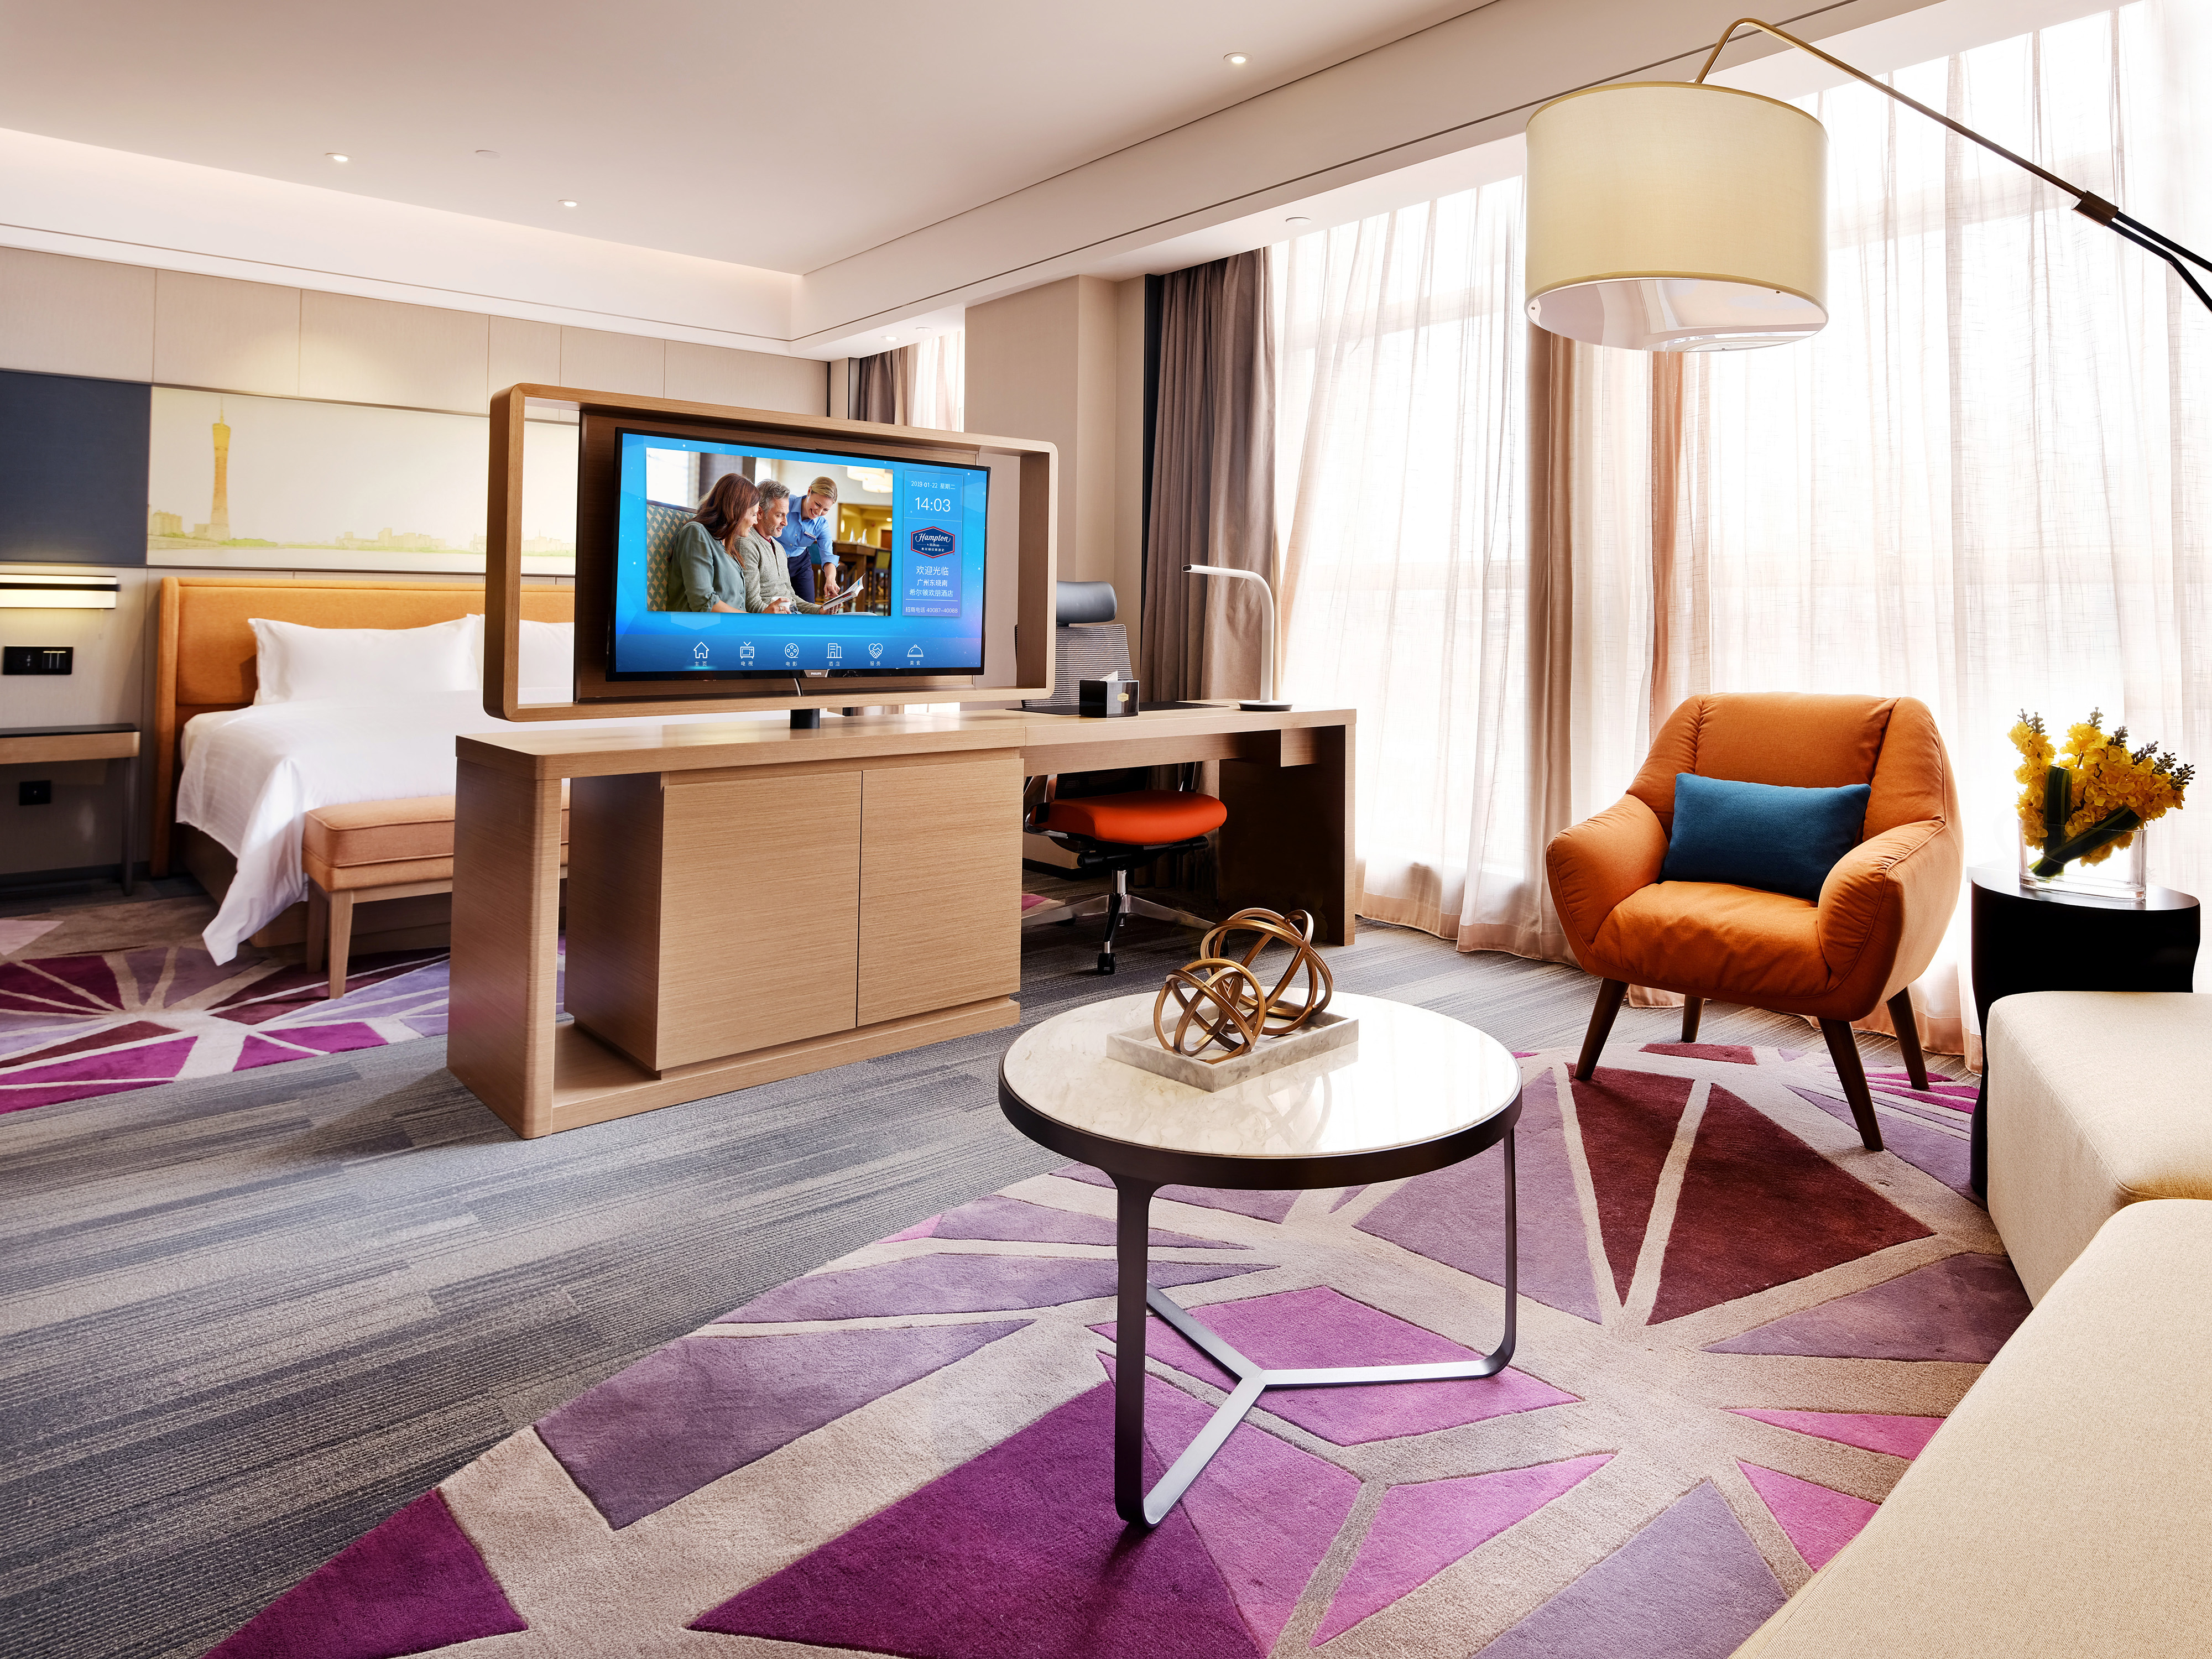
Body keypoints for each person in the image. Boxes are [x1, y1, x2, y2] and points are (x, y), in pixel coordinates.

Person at [739, 486, 832, 614]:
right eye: (779, 515)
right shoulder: (748, 545)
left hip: (794, 609)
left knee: (860, 616)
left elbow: (791, 597)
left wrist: (819, 610)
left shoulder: (779, 548)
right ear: (760, 513)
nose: (786, 523)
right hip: (780, 619)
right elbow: (752, 603)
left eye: (786, 515)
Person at [671, 474, 757, 612]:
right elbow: (703, 602)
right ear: (736, 510)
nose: (756, 521)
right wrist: (753, 620)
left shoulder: (726, 545)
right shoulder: (696, 532)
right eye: (753, 514)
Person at [772, 474, 842, 603]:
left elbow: (828, 556)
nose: (819, 513)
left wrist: (831, 580)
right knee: (778, 603)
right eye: (817, 504)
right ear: (809, 491)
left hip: (801, 564)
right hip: (774, 558)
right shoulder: (786, 503)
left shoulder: (821, 525)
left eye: (826, 510)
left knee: (808, 605)